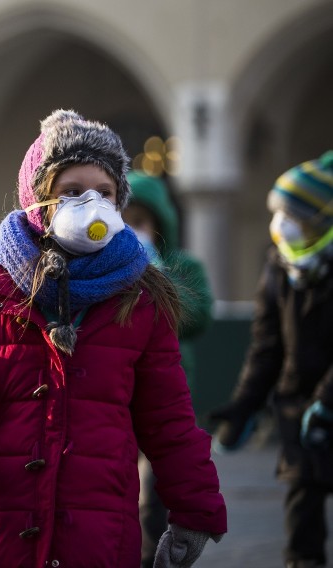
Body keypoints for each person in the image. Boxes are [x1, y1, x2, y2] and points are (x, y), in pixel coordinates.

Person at [0, 110, 227, 567]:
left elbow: (168, 417)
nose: (91, 205)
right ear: (37, 200)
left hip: (102, 536)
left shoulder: (141, 296)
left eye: (104, 193)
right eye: (71, 192)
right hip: (11, 530)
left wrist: (194, 509)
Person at [210, 151, 333, 568]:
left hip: (325, 407)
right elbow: (266, 347)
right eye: (278, 212)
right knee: (303, 519)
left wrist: (327, 403)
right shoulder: (278, 269)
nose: (281, 224)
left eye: (292, 214)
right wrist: (244, 406)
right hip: (298, 412)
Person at [124, 171, 214, 567]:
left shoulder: (182, 266)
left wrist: (158, 279)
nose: (132, 230)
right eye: (124, 220)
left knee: (155, 492)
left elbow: (198, 316)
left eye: (141, 222)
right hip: (120, 396)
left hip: (166, 397)